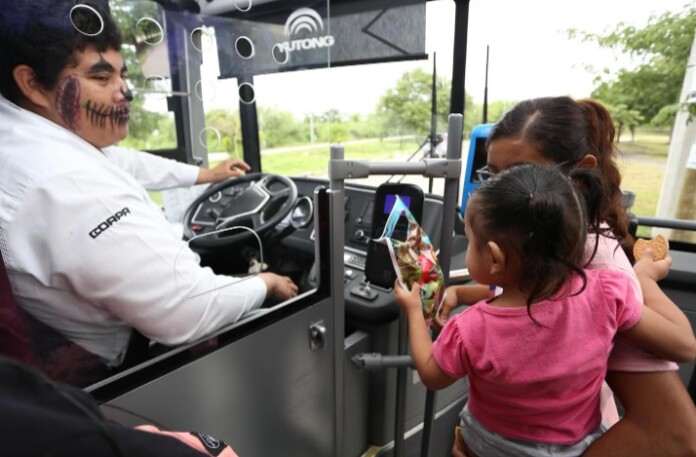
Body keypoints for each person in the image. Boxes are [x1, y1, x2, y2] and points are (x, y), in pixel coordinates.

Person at [0, 1, 298, 370]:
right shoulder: (68, 181)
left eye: (122, 75)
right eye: (102, 78)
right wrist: (266, 283)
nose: (125, 92)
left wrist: (209, 175)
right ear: (32, 83)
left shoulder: (28, 138)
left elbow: (126, 160)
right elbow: (188, 311)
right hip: (129, 366)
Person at [436, 96, 696, 456]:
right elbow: (539, 300)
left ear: (578, 175)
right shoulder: (550, 241)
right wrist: (464, 295)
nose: (500, 194)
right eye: (493, 176)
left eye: (522, 175)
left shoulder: (600, 270)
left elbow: (674, 433)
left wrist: (643, 283)